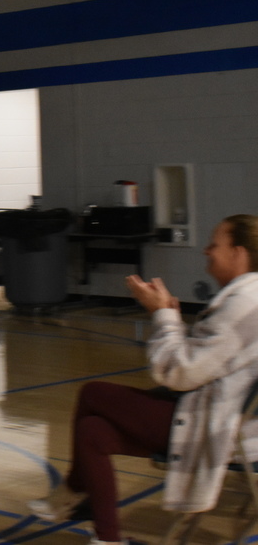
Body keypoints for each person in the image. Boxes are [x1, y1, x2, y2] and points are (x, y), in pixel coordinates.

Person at [28, 214, 258, 545]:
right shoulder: (249, 299)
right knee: (93, 432)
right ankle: (106, 536)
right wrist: (172, 318)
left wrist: (161, 315)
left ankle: (76, 490)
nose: (206, 251)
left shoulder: (243, 306)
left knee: (94, 393)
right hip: (222, 415)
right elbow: (206, 362)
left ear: (238, 253)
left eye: (214, 244)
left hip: (217, 426)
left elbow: (178, 373)